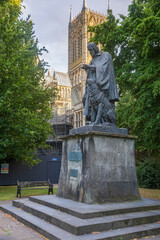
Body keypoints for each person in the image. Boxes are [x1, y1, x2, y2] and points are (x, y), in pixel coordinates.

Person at [81, 42, 119, 125]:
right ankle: (93, 120)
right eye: (88, 51)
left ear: (95, 48)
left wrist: (89, 67)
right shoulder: (93, 60)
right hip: (92, 87)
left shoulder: (105, 55)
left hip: (102, 85)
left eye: (91, 50)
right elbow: (92, 72)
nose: (90, 52)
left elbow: (103, 69)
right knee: (85, 99)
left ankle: (102, 122)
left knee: (100, 103)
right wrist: (87, 69)